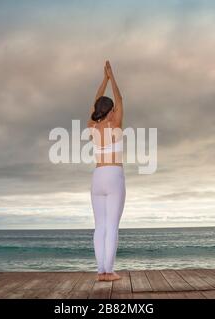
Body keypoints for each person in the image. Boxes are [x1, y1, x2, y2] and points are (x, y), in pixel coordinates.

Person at [87, 61, 125, 281]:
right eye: (113, 109)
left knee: (99, 226)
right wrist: (112, 77)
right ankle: (108, 272)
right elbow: (120, 100)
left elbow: (95, 104)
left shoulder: (92, 127)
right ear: (111, 111)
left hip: (97, 177)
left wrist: (104, 80)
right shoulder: (115, 124)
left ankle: (101, 271)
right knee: (112, 226)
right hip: (113, 175)